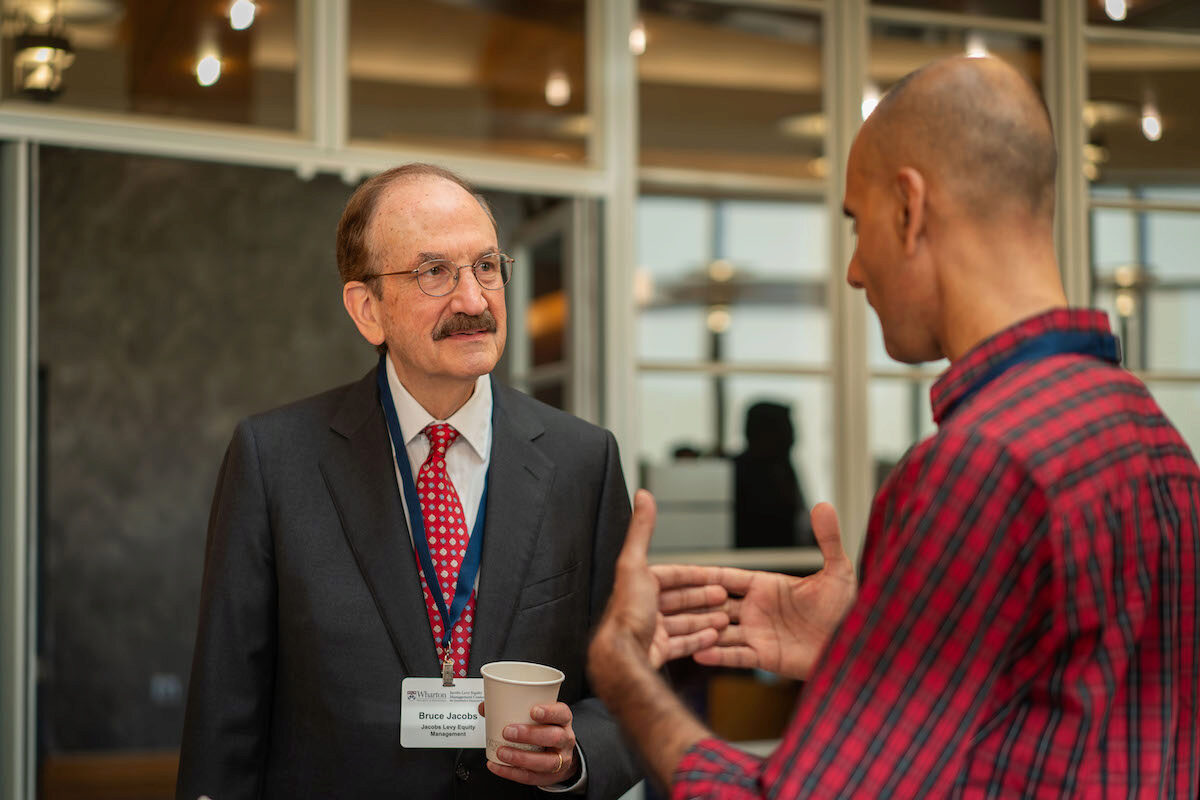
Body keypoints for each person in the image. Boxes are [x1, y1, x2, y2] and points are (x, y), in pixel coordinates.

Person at [587, 55, 1200, 798]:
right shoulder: (1155, 435)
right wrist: (868, 643)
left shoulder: (980, 464)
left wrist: (625, 676)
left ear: (909, 208)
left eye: (857, 221)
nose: (853, 269)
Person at [177, 163, 639, 799]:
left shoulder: (583, 461)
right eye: (434, 272)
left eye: (485, 266)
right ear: (368, 309)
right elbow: (227, 705)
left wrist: (575, 754)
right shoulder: (275, 459)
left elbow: (633, 692)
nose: (474, 301)